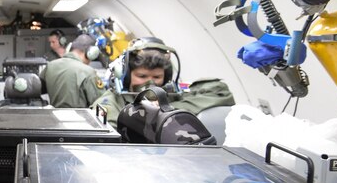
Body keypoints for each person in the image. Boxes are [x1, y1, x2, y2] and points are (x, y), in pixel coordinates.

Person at [93, 37, 235, 126]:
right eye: (141, 76)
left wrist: (168, 109)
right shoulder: (110, 102)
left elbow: (220, 91)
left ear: (165, 77)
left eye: (156, 77)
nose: (149, 83)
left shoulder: (169, 95)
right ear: (126, 75)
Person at [40, 34, 105, 108]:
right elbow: (101, 103)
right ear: (91, 52)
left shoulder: (50, 66)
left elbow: (39, 89)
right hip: (81, 118)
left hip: (55, 116)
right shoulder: (89, 72)